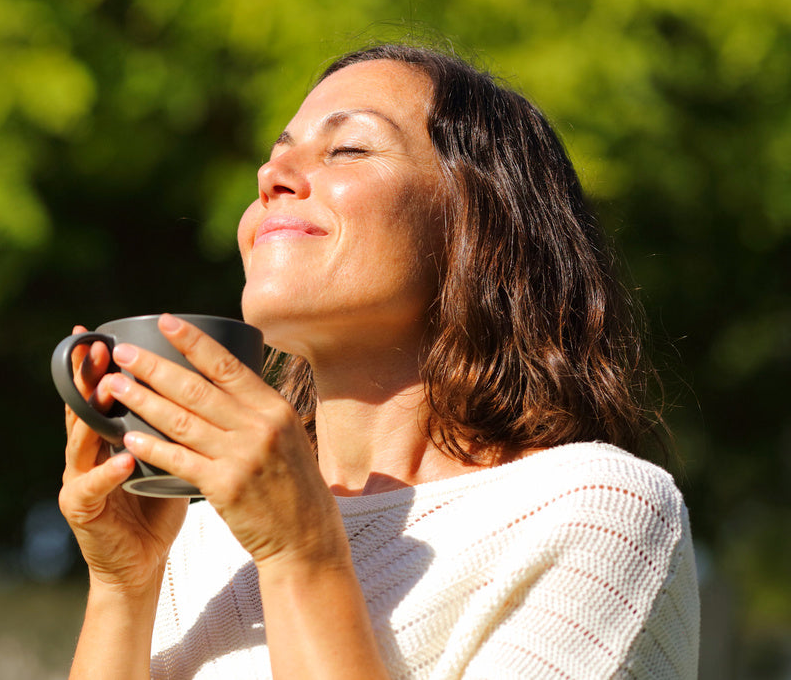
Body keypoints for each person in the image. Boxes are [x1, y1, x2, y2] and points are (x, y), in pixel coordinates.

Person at [58, 43, 700, 679]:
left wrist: (300, 554)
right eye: (275, 155)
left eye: (349, 149)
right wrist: (124, 586)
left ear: (479, 221)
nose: (270, 177)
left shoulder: (594, 510)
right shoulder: (199, 544)